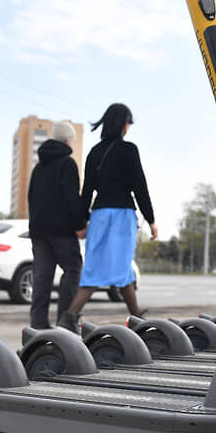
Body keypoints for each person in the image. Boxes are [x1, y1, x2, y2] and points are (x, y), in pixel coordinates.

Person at [58, 103, 156, 334]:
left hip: (99, 215)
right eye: (129, 122)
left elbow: (87, 191)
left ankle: (70, 318)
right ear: (123, 123)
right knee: (122, 268)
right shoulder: (129, 150)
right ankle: (136, 317)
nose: (129, 127)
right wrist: (151, 219)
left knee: (94, 269)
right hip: (121, 216)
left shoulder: (95, 152)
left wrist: (81, 222)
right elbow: (140, 187)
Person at [27, 121, 85, 329]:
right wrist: (80, 225)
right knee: (73, 269)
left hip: (39, 231)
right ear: (67, 140)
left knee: (42, 275)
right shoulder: (67, 164)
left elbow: (31, 197)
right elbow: (72, 198)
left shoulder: (38, 167)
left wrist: (34, 226)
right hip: (61, 230)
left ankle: (38, 323)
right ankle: (65, 322)